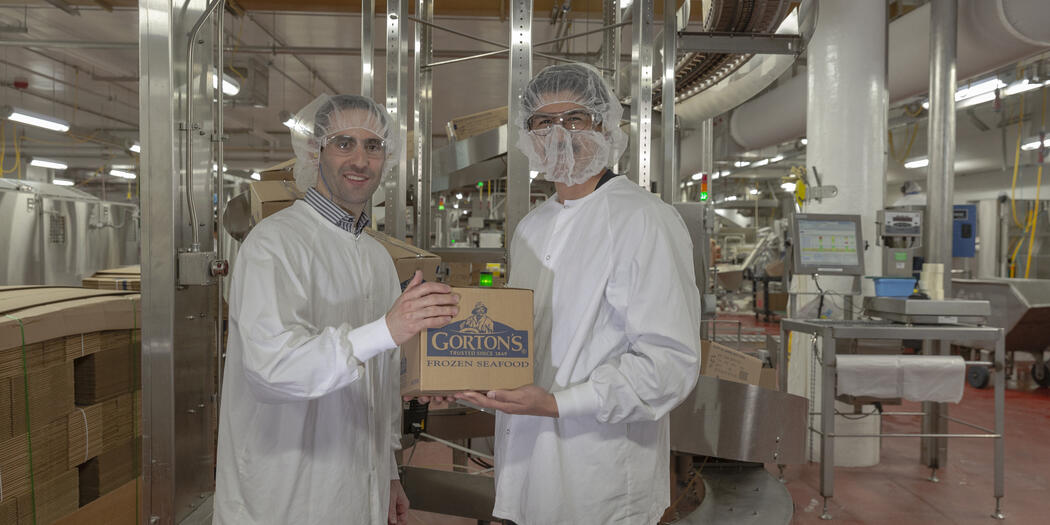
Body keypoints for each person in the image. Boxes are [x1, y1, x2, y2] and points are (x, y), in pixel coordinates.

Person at [455, 63, 702, 524]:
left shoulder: (644, 219)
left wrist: (556, 404)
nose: (558, 135)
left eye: (575, 119)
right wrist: (465, 376)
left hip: (601, 476)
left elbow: (669, 363)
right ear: (528, 136)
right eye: (543, 123)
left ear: (606, 127)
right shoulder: (533, 226)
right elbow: (524, 341)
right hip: (529, 462)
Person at [214, 94, 459, 525]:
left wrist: (387, 473)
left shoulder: (376, 257)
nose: (360, 160)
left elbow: (379, 387)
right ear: (314, 151)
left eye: (374, 146)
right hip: (283, 493)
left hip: (356, 488)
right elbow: (271, 368)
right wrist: (386, 329)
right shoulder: (275, 244)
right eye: (344, 143)